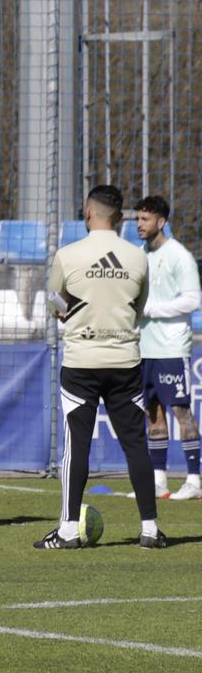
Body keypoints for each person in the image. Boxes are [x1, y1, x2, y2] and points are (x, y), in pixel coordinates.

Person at [38, 184, 164, 549]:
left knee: (76, 446)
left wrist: (72, 311)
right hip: (125, 361)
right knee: (135, 444)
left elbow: (54, 303)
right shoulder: (137, 257)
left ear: (88, 213)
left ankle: (66, 531)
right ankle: (150, 530)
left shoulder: (68, 254)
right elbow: (139, 309)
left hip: (81, 362)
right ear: (120, 217)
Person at [133, 195, 201, 501]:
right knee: (152, 413)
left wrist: (152, 309)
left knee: (181, 411)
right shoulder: (138, 255)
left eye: (145, 220)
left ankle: (194, 479)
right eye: (137, 219)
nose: (139, 225)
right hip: (144, 348)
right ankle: (158, 482)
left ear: (161, 222)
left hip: (172, 348)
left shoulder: (179, 256)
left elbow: (192, 299)